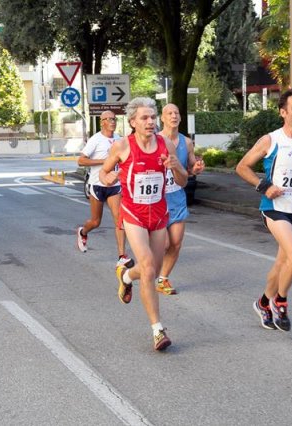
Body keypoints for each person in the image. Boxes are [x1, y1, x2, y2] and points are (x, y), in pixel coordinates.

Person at [99, 97, 188, 351]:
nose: (150, 122)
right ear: (133, 122)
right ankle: (157, 330)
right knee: (148, 267)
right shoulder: (122, 146)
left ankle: (126, 275)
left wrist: (175, 166)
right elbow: (104, 173)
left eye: (152, 117)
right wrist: (109, 178)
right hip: (134, 215)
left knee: (151, 269)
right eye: (144, 118)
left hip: (159, 214)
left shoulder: (165, 144)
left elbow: (182, 181)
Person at [236, 88, 292, 332]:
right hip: (275, 208)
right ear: (283, 112)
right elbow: (242, 167)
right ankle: (281, 301)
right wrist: (264, 186)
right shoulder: (271, 140)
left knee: (282, 263)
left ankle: (263, 302)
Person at [156, 104, 205, 295]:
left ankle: (163, 279)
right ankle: (147, 266)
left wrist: (197, 168)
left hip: (177, 197)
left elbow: (191, 167)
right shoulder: (155, 139)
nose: (173, 116)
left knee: (176, 242)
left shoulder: (187, 142)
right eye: (169, 113)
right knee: (165, 244)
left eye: (176, 113)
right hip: (158, 199)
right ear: (162, 118)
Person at [76, 110, 134, 268]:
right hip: (97, 185)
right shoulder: (96, 139)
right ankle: (83, 232)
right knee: (96, 221)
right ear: (102, 122)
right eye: (108, 119)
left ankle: (122, 255)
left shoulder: (120, 139)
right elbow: (81, 161)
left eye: (114, 119)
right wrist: (105, 161)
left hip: (114, 185)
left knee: (119, 220)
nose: (112, 121)